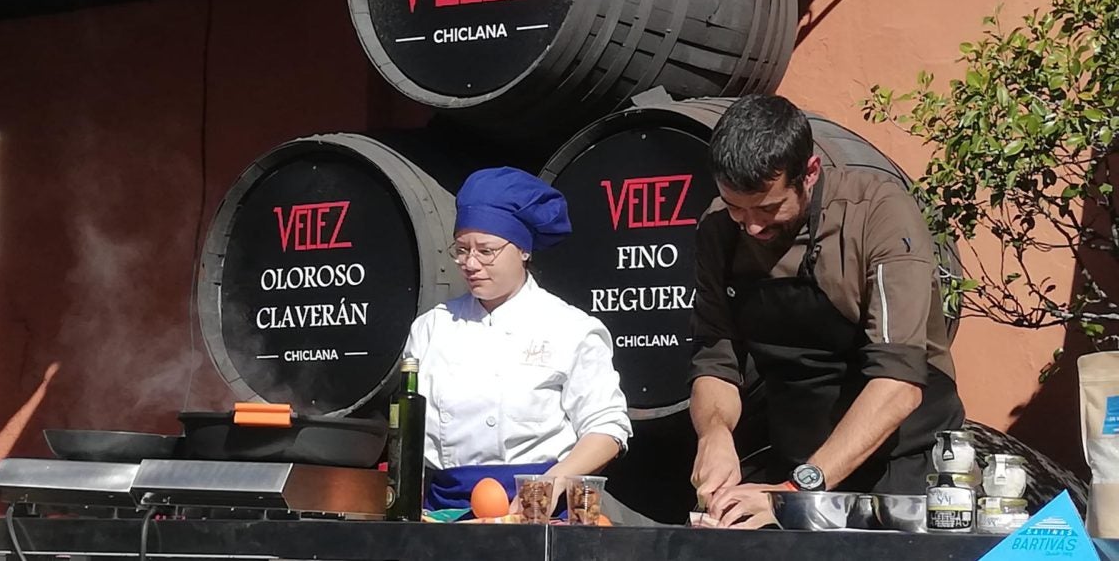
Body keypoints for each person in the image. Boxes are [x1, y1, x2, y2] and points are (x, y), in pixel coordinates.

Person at [687, 95, 965, 529]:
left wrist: (799, 492)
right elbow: (716, 359)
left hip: (900, 458)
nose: (752, 225)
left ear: (810, 173)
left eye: (768, 207)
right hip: (795, 451)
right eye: (736, 207)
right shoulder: (719, 228)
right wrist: (715, 435)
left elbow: (898, 381)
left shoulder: (877, 212)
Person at [404, 167, 634, 515]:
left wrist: (555, 480)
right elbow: (407, 430)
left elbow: (607, 428)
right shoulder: (431, 329)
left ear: (524, 250)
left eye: (486, 250)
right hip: (443, 511)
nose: (470, 263)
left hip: (536, 509)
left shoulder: (569, 328)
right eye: (462, 249)